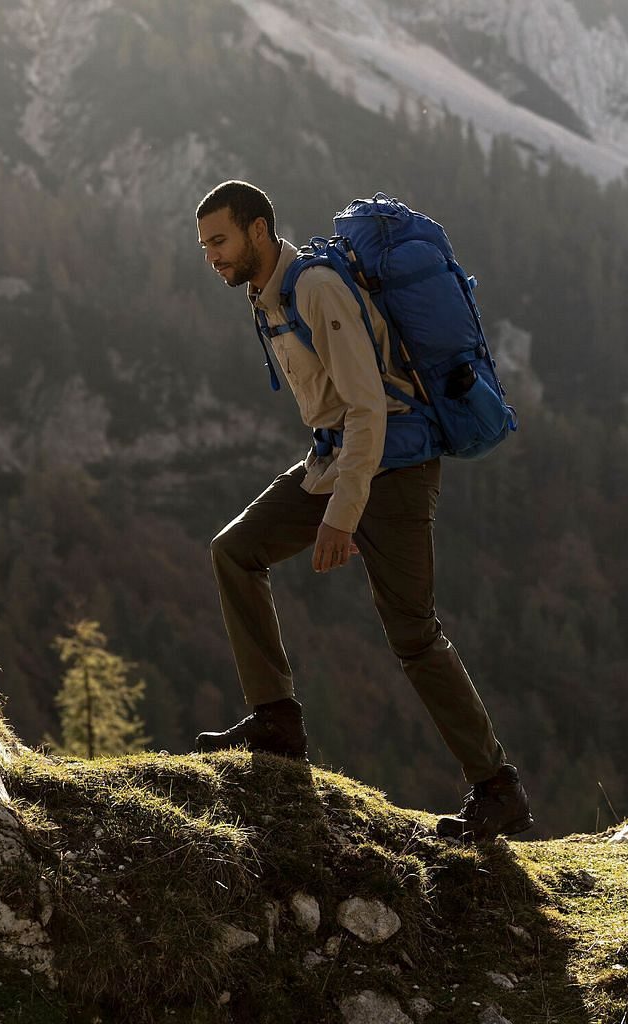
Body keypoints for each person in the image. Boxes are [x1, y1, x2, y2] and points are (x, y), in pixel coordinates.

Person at [193, 180, 532, 842]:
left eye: (220, 241)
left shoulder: (314, 289)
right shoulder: (267, 294)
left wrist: (342, 515)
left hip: (393, 467)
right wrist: (333, 485)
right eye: (204, 245)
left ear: (259, 230)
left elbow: (369, 405)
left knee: (413, 633)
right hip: (336, 459)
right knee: (235, 550)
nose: (211, 256)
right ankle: (276, 720)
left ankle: (498, 790)